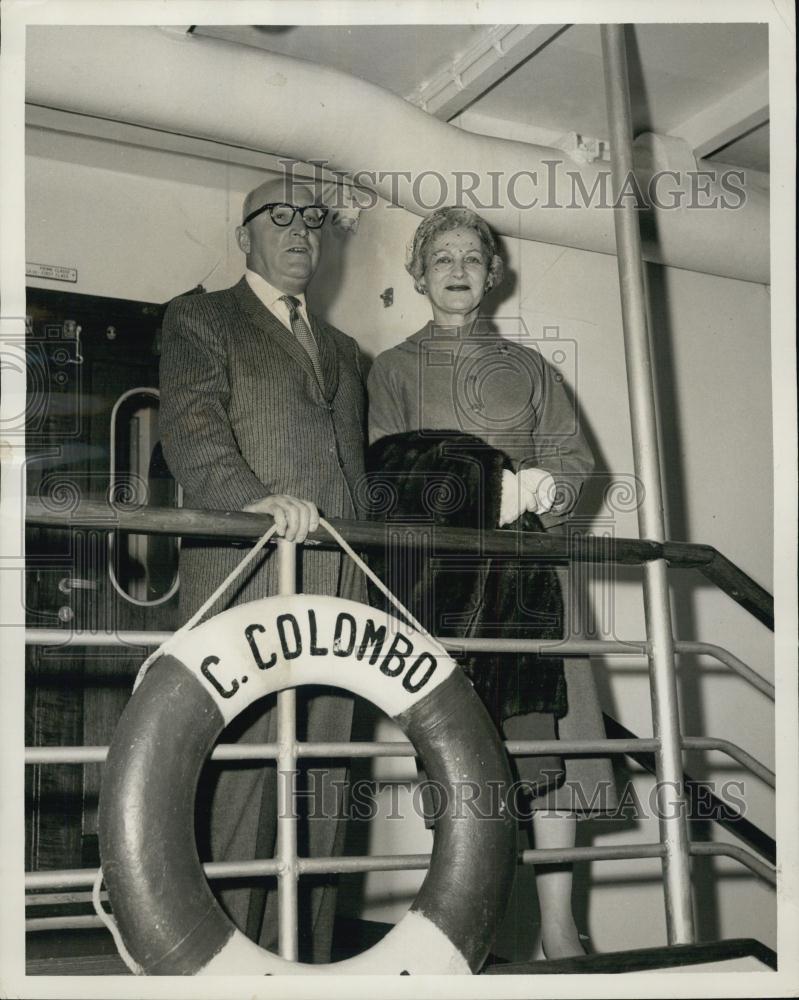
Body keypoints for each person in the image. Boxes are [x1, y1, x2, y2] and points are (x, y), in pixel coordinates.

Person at [366, 206, 616, 961]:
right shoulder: (390, 371)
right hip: (446, 590)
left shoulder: (534, 371)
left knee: (560, 757)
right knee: (461, 758)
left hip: (534, 578)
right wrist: (476, 488)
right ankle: (467, 927)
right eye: (440, 257)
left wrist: (542, 491)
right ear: (417, 275)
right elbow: (382, 477)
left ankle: (557, 927)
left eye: (471, 257)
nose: (455, 269)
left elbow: (579, 471)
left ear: (491, 273)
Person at [159, 175, 369, 962]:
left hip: (337, 592)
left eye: (313, 222)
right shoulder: (202, 317)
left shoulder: (349, 351)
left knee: (318, 784)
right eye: (278, 219)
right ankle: (220, 966)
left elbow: (351, 473)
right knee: (242, 783)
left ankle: (301, 964)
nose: (299, 233)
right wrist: (253, 501)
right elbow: (193, 428)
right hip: (243, 582)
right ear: (243, 236)